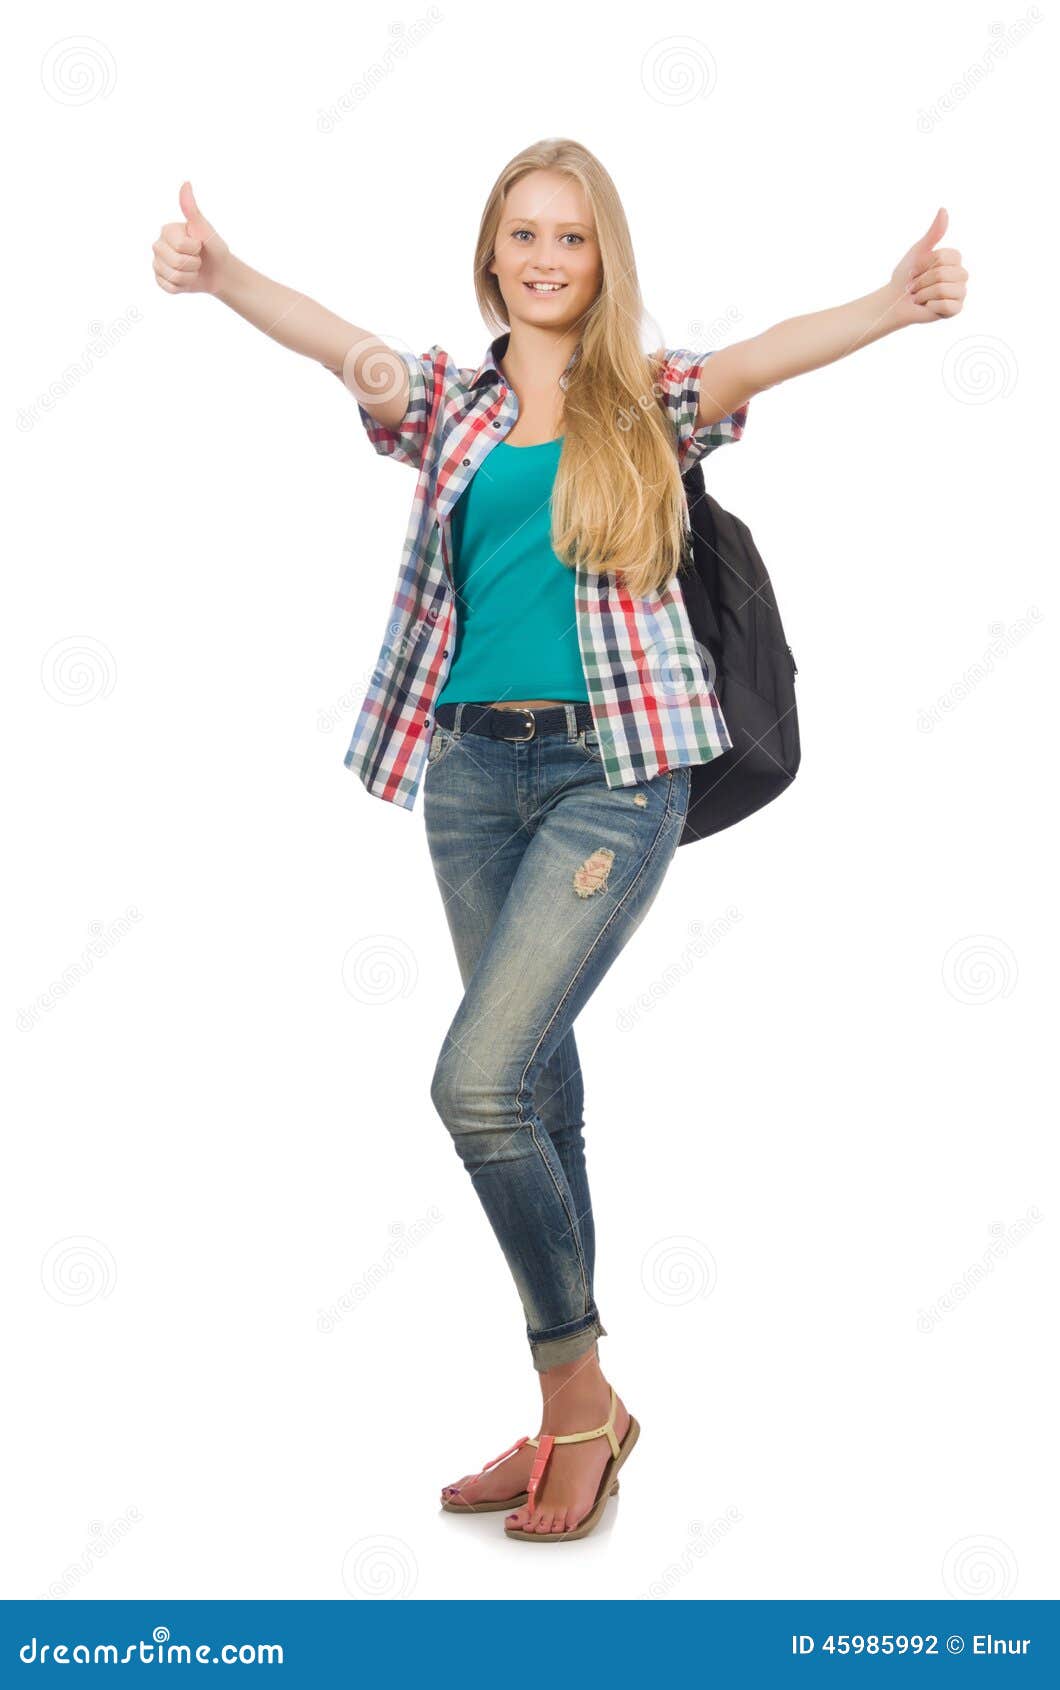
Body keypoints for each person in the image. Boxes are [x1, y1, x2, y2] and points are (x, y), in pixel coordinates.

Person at [151, 137, 967, 1543]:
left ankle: (575, 1393)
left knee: (475, 1083)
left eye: (571, 239)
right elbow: (332, 341)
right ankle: (574, 1416)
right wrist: (221, 276)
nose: (545, 257)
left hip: (611, 775)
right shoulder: (450, 409)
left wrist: (893, 302)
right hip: (469, 774)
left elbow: (766, 355)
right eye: (524, 234)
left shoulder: (649, 401)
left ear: (602, 261)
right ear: (493, 254)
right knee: (535, 1097)